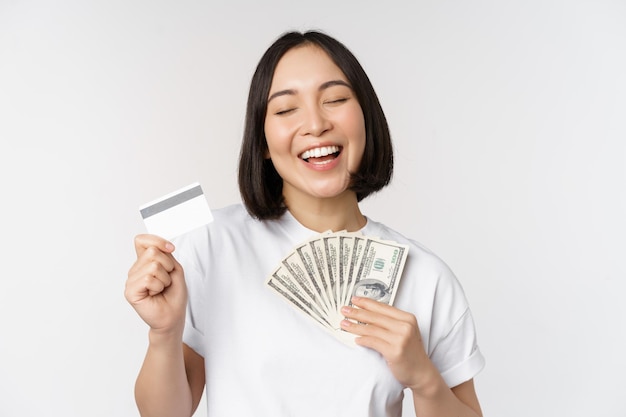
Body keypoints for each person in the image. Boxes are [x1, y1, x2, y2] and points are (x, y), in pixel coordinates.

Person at [125, 30, 485, 417]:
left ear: (366, 118)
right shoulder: (211, 246)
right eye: (285, 110)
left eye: (335, 100)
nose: (315, 124)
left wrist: (424, 379)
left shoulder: (427, 277)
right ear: (262, 141)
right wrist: (164, 334)